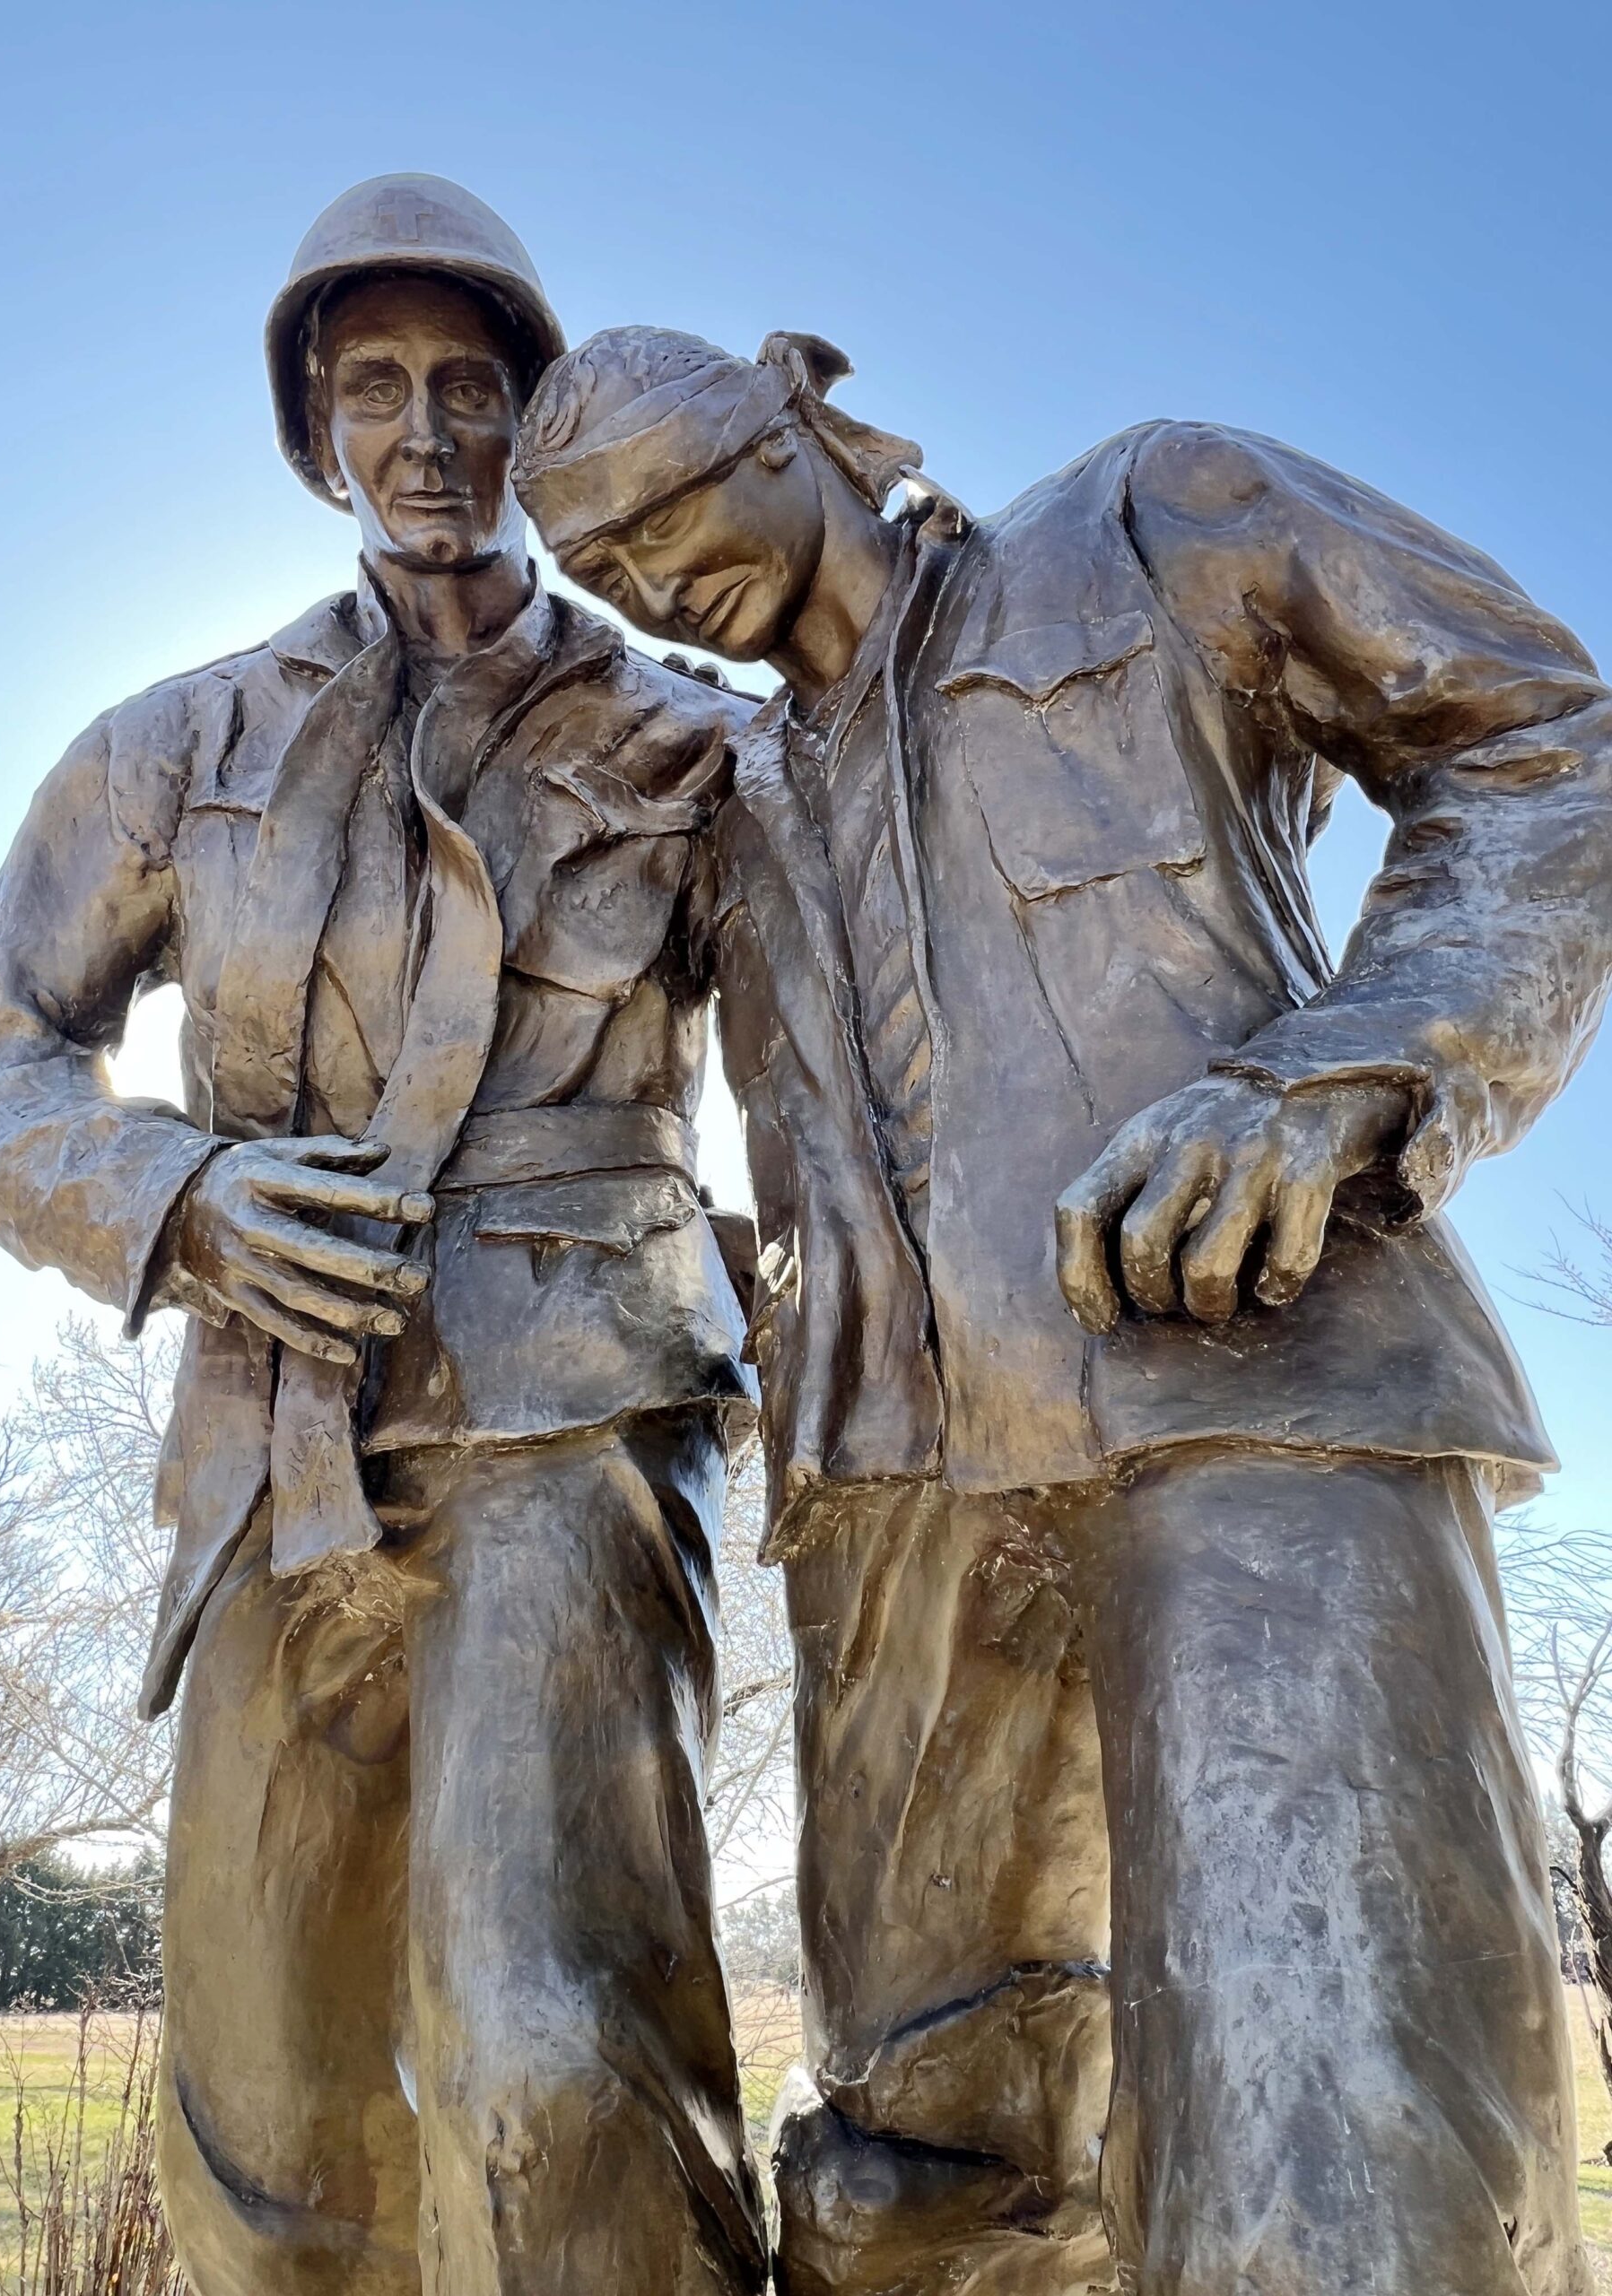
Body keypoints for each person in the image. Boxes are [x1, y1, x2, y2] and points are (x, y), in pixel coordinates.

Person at [515, 324, 1612, 2296]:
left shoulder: (1148, 516)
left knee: (1329, 2144)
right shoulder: (719, 789)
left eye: (679, 501)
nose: (660, 578)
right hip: (897, 1512)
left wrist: (1341, 1072)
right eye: (609, 569)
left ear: (799, 409)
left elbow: (1540, 743)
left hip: (1252, 1385)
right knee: (907, 2182)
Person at [0, 185, 768, 2296]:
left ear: (540, 420)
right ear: (314, 432)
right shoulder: (176, 743)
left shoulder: (697, 740)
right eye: (373, 387)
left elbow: (862, 1081)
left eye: (474, 386)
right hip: (274, 1450)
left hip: (580, 1414)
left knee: (550, 2051)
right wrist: (171, 1197)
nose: (427, 432)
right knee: (265, 2117)